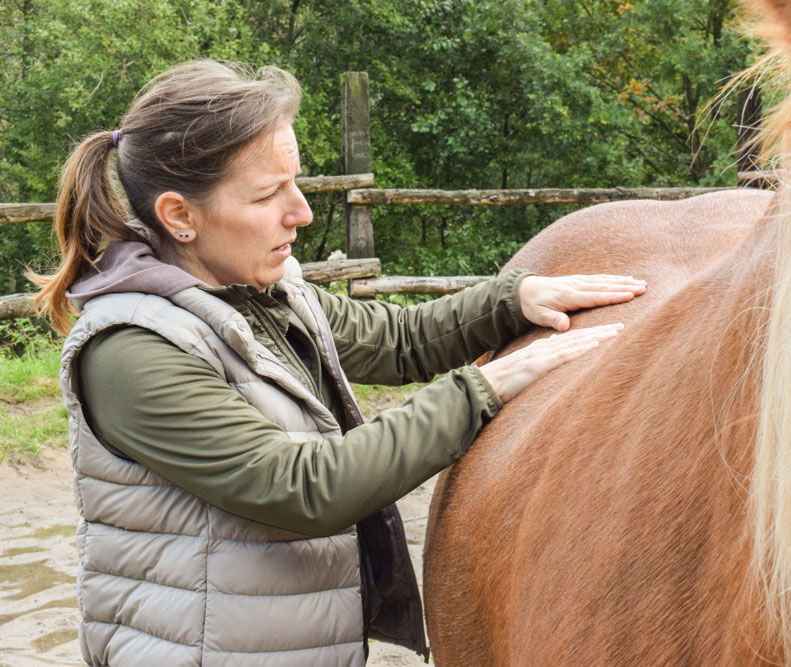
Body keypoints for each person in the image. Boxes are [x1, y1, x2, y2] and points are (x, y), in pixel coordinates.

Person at [32, 60, 645, 666]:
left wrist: (512, 300)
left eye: (295, 182)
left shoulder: (263, 292)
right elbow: (302, 487)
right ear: (179, 216)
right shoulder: (134, 350)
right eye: (269, 194)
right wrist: (481, 388)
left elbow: (399, 340)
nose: (300, 212)